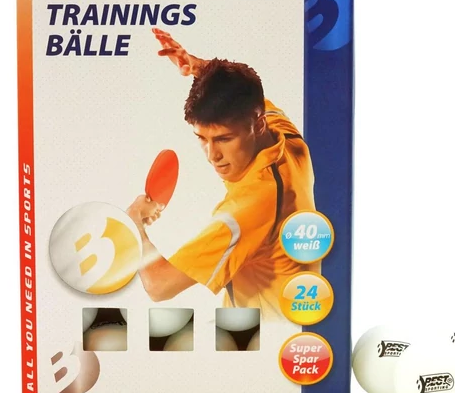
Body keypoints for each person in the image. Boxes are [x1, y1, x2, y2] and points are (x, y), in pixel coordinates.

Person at [126, 28, 319, 319]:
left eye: (224, 139)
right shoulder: (289, 139)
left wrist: (134, 225)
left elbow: (159, 286)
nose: (212, 155)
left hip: (259, 335)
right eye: (202, 138)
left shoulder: (248, 208)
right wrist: (200, 70)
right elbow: (248, 95)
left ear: (257, 126)